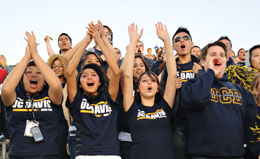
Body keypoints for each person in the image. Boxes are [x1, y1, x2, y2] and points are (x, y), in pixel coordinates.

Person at [181, 41, 260, 159]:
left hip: (236, 155)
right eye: (213, 55)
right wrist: (211, 72)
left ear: (226, 61)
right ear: (202, 61)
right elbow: (197, 98)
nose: (218, 58)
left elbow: (253, 124)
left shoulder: (241, 91)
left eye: (222, 55)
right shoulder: (191, 85)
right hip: (202, 156)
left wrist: (256, 152)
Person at [1, 31, 63, 158]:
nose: (33, 75)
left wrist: (35, 54)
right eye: (28, 72)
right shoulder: (15, 95)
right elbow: (5, 90)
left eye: (39, 72)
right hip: (19, 155)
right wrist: (26, 57)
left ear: (45, 78)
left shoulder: (50, 95)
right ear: (22, 78)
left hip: (49, 156)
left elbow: (56, 85)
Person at [66, 21, 121, 158]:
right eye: (84, 76)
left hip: (111, 154)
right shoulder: (77, 98)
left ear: (100, 80)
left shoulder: (109, 96)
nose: (89, 78)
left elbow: (116, 71)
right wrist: (86, 41)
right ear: (79, 82)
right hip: (84, 154)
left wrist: (99, 40)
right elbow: (68, 71)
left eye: (93, 75)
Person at [122, 22, 177, 159]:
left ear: (158, 88)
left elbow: (172, 75)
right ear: (138, 89)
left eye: (153, 80)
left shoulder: (165, 105)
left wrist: (166, 41)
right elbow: (127, 76)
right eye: (144, 81)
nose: (149, 83)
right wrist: (133, 42)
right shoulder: (132, 107)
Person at [160, 26, 200, 159]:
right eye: (177, 40)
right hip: (178, 122)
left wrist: (201, 75)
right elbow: (161, 93)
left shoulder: (201, 66)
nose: (182, 41)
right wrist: (171, 88)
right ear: (173, 46)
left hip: (200, 121)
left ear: (192, 44)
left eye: (185, 38)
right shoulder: (169, 69)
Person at [47, 54, 70, 159]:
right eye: (54, 66)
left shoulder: (70, 85)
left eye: (60, 65)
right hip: (49, 125)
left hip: (65, 124)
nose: (57, 68)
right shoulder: (45, 86)